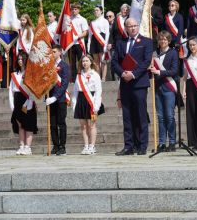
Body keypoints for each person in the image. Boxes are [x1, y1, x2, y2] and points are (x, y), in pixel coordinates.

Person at [111, 17, 153, 156]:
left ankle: (142, 146)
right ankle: (128, 146)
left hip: (139, 83)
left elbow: (146, 61)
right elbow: (114, 62)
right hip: (125, 83)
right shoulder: (120, 42)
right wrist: (122, 73)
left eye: (135, 25)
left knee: (141, 115)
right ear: (126, 28)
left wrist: (133, 74)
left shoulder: (146, 42)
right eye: (130, 26)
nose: (133, 28)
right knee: (127, 116)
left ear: (138, 26)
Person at [149, 31, 179, 152]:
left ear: (169, 41)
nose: (162, 41)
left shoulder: (173, 53)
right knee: (160, 117)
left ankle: (172, 142)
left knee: (170, 116)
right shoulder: (154, 54)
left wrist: (159, 72)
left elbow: (174, 71)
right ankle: (162, 143)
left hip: (169, 87)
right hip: (158, 88)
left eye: (165, 39)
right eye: (161, 39)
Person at [72, 55, 103, 155]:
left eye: (86, 61)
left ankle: (92, 146)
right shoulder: (78, 76)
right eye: (83, 61)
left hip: (92, 101)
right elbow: (75, 91)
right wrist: (74, 104)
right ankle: (86, 145)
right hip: (81, 100)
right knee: (83, 126)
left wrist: (96, 106)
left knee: (92, 125)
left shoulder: (95, 75)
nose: (84, 63)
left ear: (91, 62)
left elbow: (98, 91)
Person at [8, 52, 37, 156]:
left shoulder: (30, 73)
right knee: (20, 124)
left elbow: (33, 89)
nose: (20, 61)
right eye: (19, 59)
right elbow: (11, 91)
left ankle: (28, 147)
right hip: (17, 100)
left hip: (28, 99)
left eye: (22, 59)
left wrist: (30, 101)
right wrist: (12, 105)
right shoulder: (14, 74)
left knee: (28, 124)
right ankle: (21, 146)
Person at [45, 45, 70, 156]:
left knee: (61, 123)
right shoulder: (48, 66)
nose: (52, 54)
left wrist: (55, 97)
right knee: (52, 124)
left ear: (60, 52)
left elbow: (64, 84)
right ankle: (55, 145)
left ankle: (62, 146)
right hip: (50, 98)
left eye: (54, 52)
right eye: (51, 52)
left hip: (60, 99)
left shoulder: (64, 66)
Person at [181, 37, 197, 150]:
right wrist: (184, 90)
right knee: (192, 112)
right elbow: (185, 77)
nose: (192, 47)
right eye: (190, 45)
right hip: (190, 86)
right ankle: (194, 142)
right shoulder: (187, 60)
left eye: (194, 45)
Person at [87, 5, 110, 81]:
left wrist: (105, 44)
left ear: (101, 11)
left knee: (103, 60)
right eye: (94, 11)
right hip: (94, 40)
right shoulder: (92, 22)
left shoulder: (105, 21)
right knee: (96, 61)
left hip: (102, 40)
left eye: (97, 10)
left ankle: (103, 78)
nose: (95, 12)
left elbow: (107, 33)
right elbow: (90, 35)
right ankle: (98, 77)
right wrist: (88, 44)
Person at [70, 3, 89, 80]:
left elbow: (85, 32)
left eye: (75, 9)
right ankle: (74, 79)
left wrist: (77, 36)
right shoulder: (69, 19)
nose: (74, 11)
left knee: (82, 61)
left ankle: (83, 77)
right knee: (72, 62)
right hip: (71, 44)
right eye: (73, 9)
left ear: (79, 10)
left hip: (79, 43)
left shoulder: (82, 19)